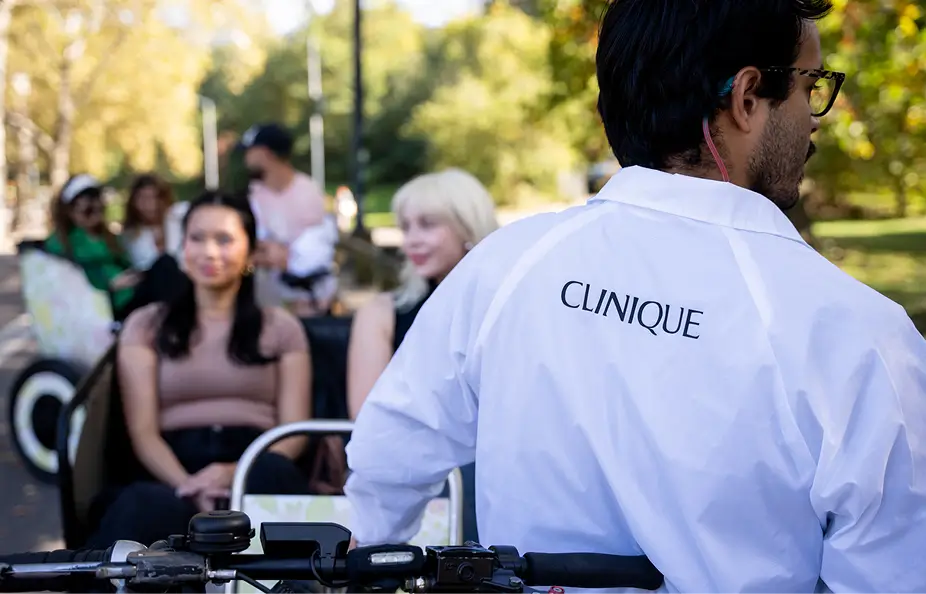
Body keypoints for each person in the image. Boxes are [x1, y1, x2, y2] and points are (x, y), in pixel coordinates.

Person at [343, 2, 926, 592]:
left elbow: (393, 448)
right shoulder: (857, 332)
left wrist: (371, 548)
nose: (816, 117)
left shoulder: (508, 265)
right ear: (748, 97)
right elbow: (892, 572)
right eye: (810, 85)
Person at [85, 191, 312, 548]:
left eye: (224, 240)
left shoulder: (281, 328)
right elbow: (143, 432)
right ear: (183, 247)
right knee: (142, 508)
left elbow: (294, 433)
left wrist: (232, 473)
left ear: (251, 252)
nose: (209, 252)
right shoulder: (146, 326)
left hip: (256, 462)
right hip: (169, 469)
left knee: (275, 478)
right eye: (197, 238)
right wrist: (188, 485)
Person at [346, 169, 498, 543]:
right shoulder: (381, 312)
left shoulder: (505, 308)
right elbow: (370, 420)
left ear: (468, 227)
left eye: (427, 225)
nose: (411, 239)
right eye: (405, 226)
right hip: (413, 467)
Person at [239, 123, 337, 316]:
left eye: (249, 151)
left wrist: (276, 255)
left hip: (306, 304)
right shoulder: (254, 194)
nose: (245, 158)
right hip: (265, 302)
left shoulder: (309, 193)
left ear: (266, 154)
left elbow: (313, 254)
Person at [45, 174, 139, 314]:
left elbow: (127, 264)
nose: (95, 215)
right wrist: (109, 286)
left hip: (131, 298)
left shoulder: (110, 238)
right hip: (99, 310)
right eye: (88, 211)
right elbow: (63, 285)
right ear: (70, 211)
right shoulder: (60, 243)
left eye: (99, 209)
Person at [121, 173, 182, 270]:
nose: (149, 205)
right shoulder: (131, 235)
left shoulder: (178, 217)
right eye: (142, 199)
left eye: (154, 197)